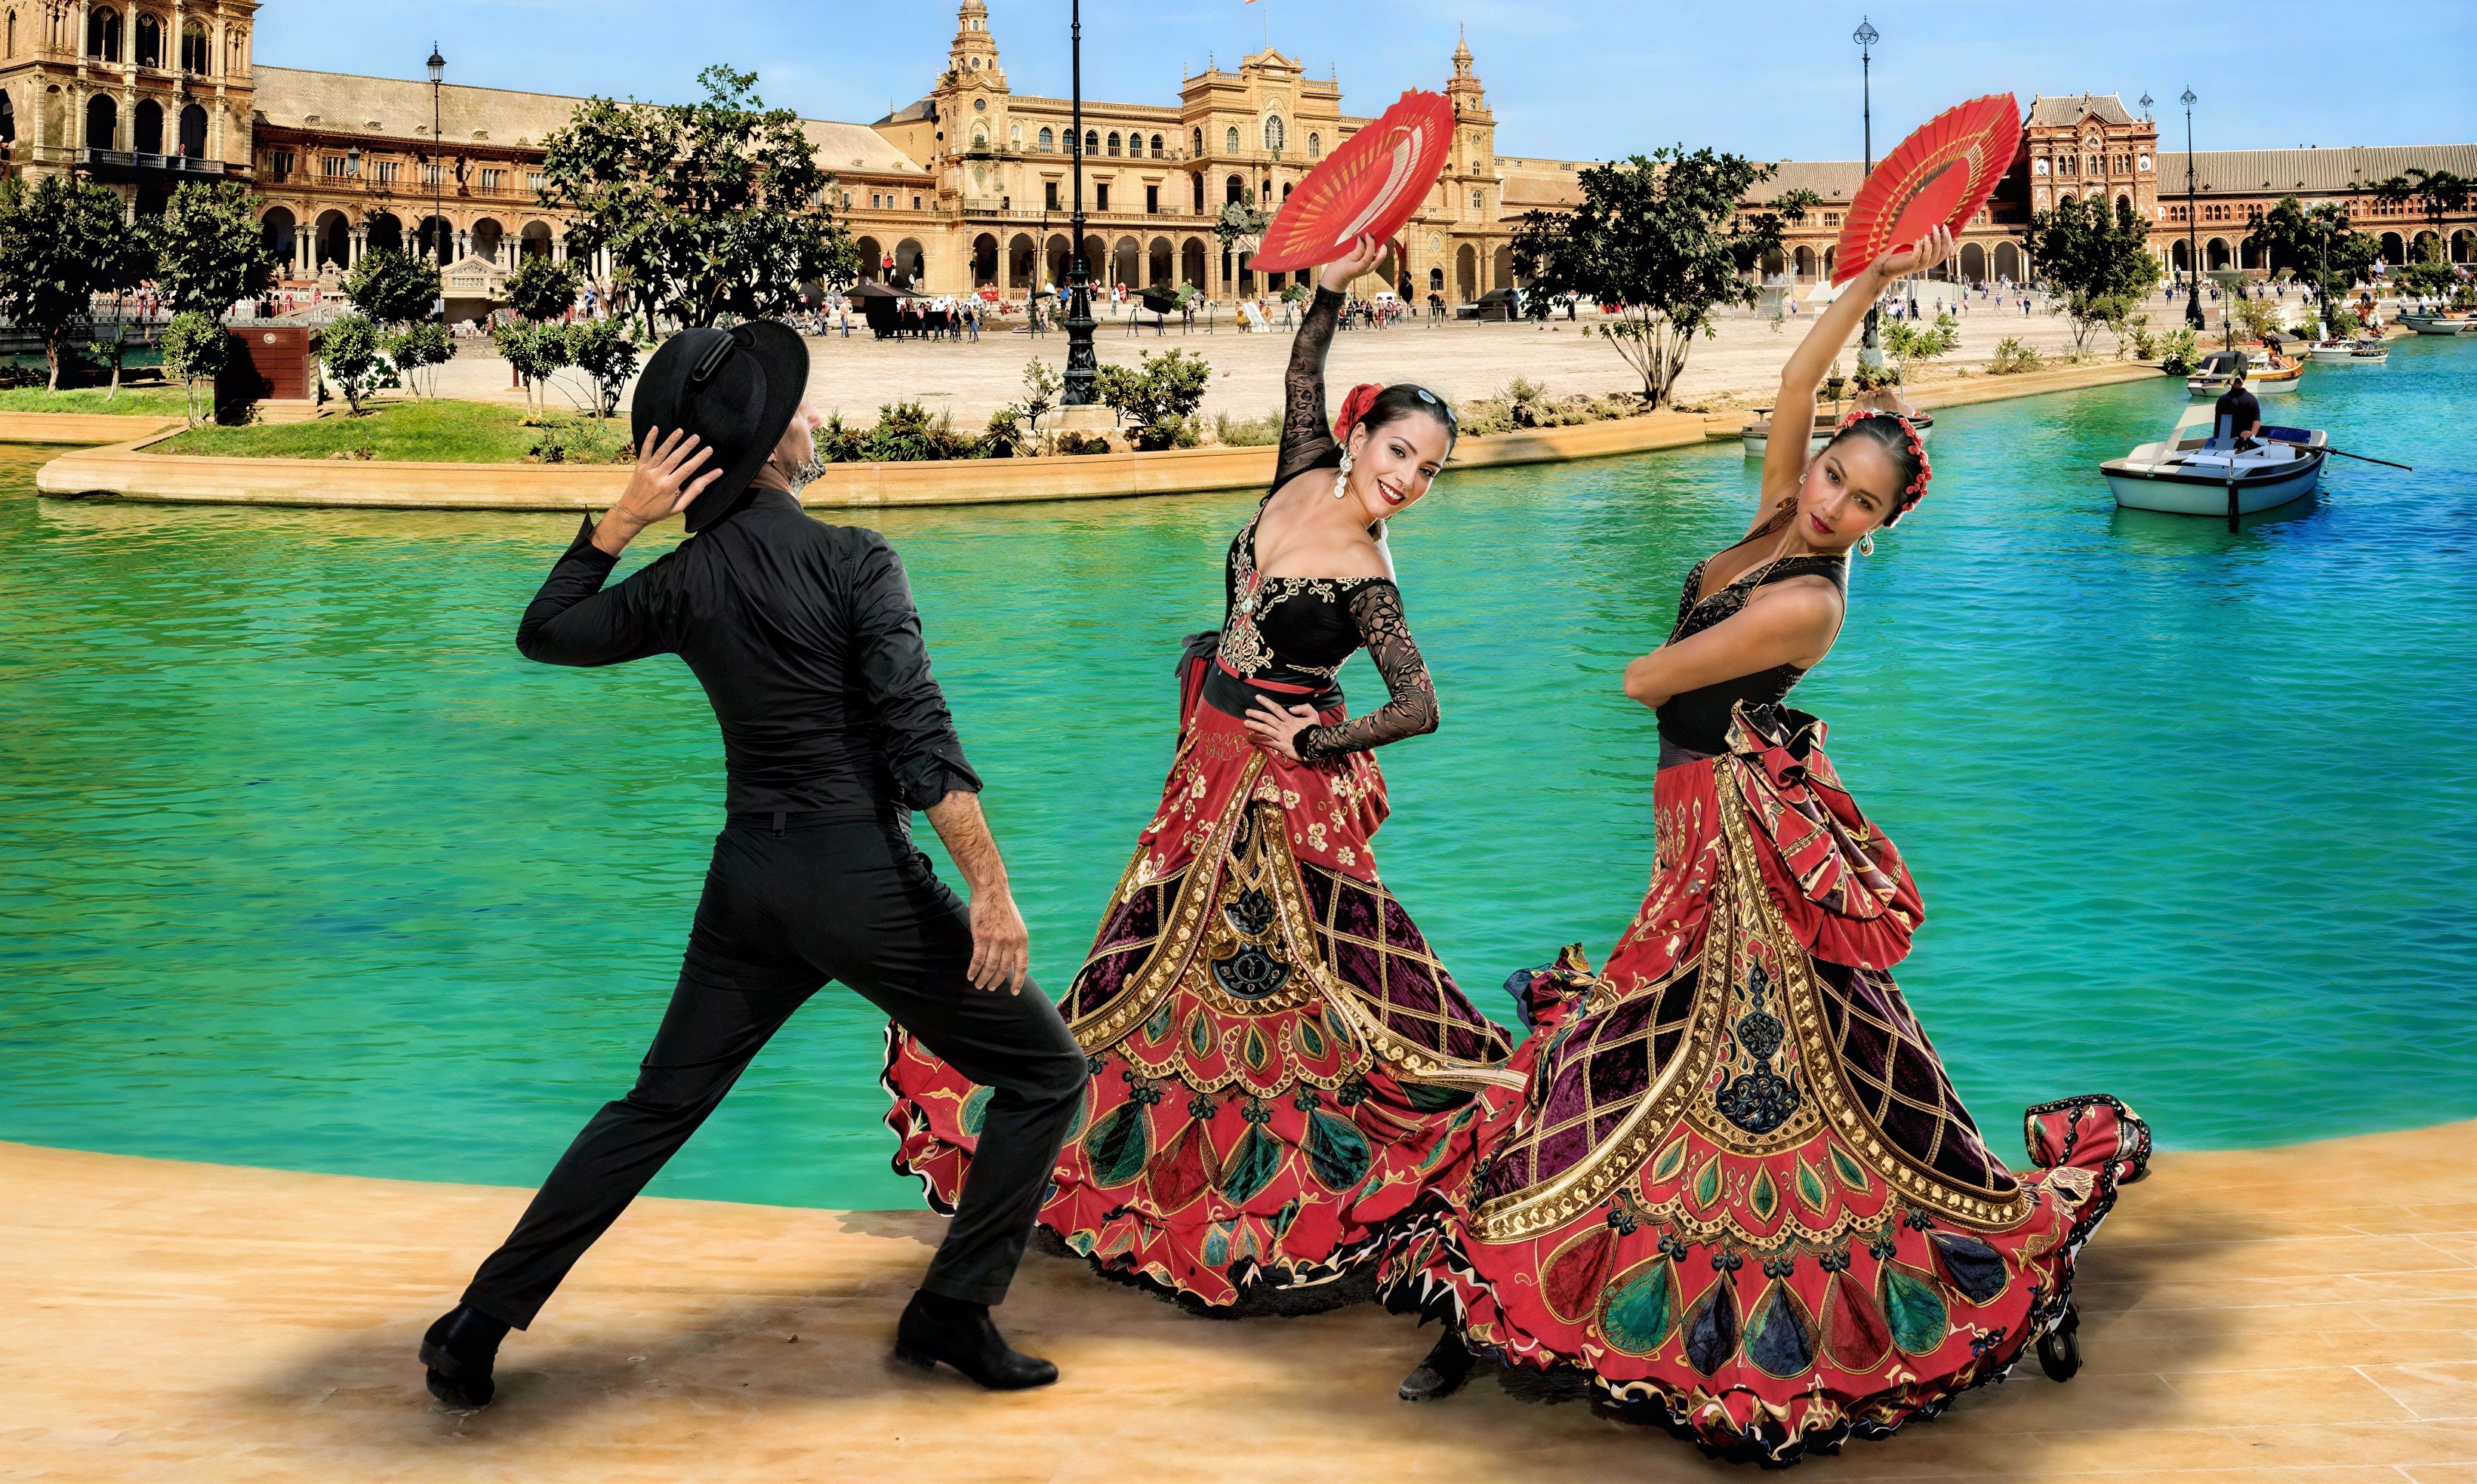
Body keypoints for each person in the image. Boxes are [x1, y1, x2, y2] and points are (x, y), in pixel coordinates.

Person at [1381, 223, 2150, 1463]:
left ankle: (1544, 1308)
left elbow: (1648, 680)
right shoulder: (1778, 525)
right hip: (1698, 814)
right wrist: (1879, 280)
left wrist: (1643, 658)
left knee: (1669, 1051)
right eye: (1831, 474)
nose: (1831, 500)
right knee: (1745, 1048)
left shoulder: (1807, 598)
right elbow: (1796, 380)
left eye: (1861, 500)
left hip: (1731, 836)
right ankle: (1508, 1305)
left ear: (1883, 524)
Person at [419, 323, 1090, 1409]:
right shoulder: (856, 557)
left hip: (750, 881)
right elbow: (918, 738)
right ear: (774, 443)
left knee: (657, 1105)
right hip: (857, 878)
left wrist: (620, 522)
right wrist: (991, 888)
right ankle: (953, 1309)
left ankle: (474, 1326)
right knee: (1049, 1073)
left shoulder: (685, 577)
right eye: (800, 411)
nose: (814, 420)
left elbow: (548, 631)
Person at [883, 238, 1518, 1313]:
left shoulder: (1369, 576)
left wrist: (1314, 743)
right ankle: (1119, 1149)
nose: (1407, 481)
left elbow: (1420, 706)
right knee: (1154, 946)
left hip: (1273, 786)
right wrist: (1332, 283)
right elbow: (1303, 367)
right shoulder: (1302, 468)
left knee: (1297, 967)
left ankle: (1284, 1184)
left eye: (1428, 471)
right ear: (1358, 436)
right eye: (1400, 451)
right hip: (1206, 759)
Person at [2216, 373, 2261, 450]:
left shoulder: (2222, 400)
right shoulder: (2251, 399)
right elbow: (2256, 419)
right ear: (2243, 381)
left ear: (2230, 382)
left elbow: (2218, 424)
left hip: (2223, 442)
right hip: (2243, 441)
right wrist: (2252, 434)